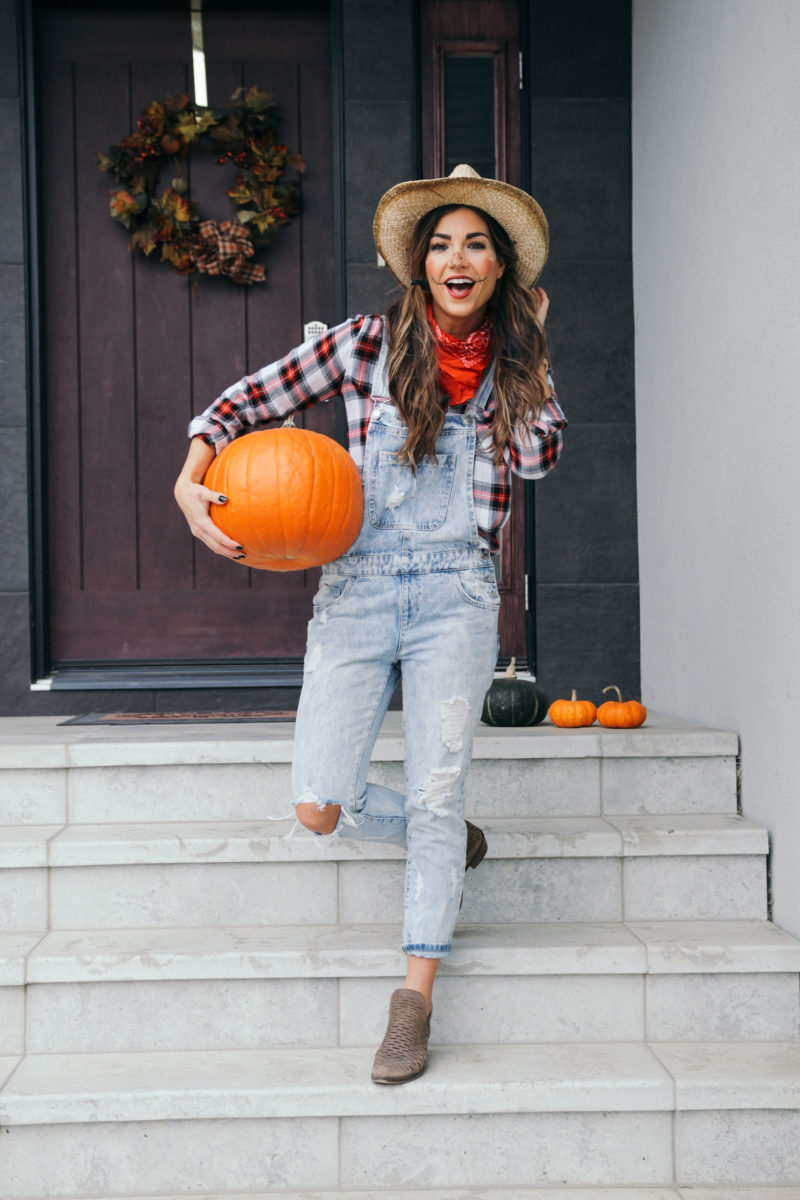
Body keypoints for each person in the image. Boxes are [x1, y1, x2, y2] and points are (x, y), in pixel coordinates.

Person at [174, 164, 567, 1085]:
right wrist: (192, 481)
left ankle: (413, 1002)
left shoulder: (514, 362)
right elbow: (241, 403)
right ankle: (447, 834)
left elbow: (543, 456)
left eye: (476, 243)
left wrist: (536, 356)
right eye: (440, 244)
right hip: (354, 594)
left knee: (434, 794)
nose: (456, 259)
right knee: (322, 805)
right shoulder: (361, 345)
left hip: (457, 600)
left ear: (500, 266)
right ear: (419, 263)